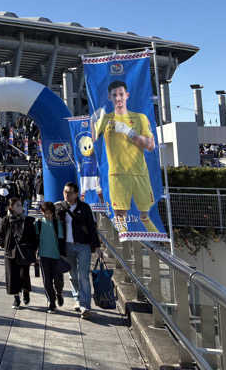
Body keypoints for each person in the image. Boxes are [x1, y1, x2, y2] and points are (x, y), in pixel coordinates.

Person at [92, 80, 158, 233]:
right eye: (115, 95)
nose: (118, 98)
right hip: (117, 175)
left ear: (127, 95)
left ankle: (157, 242)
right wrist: (93, 121)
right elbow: (93, 140)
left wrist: (129, 132)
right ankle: (125, 244)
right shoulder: (106, 119)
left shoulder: (140, 118)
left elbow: (150, 145)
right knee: (120, 216)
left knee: (145, 215)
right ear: (110, 97)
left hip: (139, 173)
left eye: (121, 94)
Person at [58, 182, 100, 318]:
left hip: (83, 246)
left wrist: (97, 246)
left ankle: (85, 305)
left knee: (83, 276)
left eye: (70, 192)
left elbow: (92, 228)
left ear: (76, 194)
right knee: (73, 274)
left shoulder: (85, 208)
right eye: (65, 192)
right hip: (67, 245)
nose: (67, 195)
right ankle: (77, 299)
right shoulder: (60, 207)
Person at [0, 197, 38, 309]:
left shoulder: (28, 220)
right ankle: (16, 298)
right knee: (12, 276)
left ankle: (26, 292)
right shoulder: (5, 220)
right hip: (10, 252)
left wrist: (33, 249)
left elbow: (34, 237)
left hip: (24, 252)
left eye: (21, 205)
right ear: (12, 208)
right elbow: (0, 234)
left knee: (24, 274)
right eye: (18, 205)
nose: (21, 207)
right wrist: (4, 245)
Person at [36, 201, 66, 313]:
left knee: (58, 280)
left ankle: (59, 293)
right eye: (45, 213)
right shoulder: (38, 223)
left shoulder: (57, 223)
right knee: (47, 281)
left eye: (50, 213)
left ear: (53, 213)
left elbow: (61, 240)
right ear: (42, 212)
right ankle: (52, 303)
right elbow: (36, 240)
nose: (47, 215)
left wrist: (63, 255)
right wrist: (36, 254)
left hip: (56, 256)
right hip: (43, 257)